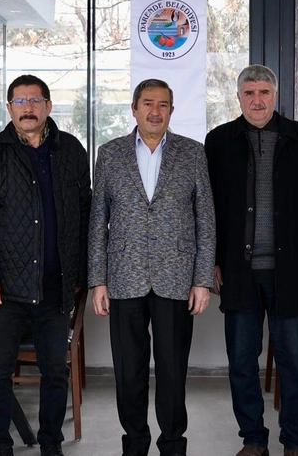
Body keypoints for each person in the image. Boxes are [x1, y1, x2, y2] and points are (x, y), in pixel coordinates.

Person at [0, 74, 91, 456]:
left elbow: (84, 214)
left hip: (55, 287)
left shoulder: (71, 150)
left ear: (48, 106)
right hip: (5, 290)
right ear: (9, 109)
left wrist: (80, 275)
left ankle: (51, 443)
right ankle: (0, 446)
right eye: (20, 102)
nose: (28, 108)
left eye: (35, 101)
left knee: (55, 371)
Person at [204, 64, 298, 456]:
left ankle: (295, 441)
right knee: (242, 362)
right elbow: (207, 208)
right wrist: (213, 260)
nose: (257, 100)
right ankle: (254, 439)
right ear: (239, 97)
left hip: (290, 271)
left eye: (264, 92)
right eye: (249, 93)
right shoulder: (219, 140)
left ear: (275, 95)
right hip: (238, 272)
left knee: (295, 362)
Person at [88, 79, 216, 456]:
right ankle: (135, 444)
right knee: (129, 371)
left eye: (163, 105)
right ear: (134, 109)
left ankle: (173, 445)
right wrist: (98, 280)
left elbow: (205, 219)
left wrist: (202, 280)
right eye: (147, 103)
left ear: (172, 111)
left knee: (173, 371)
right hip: (123, 277)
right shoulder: (110, 153)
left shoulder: (192, 153)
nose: (155, 111)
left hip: (176, 277)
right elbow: (97, 221)